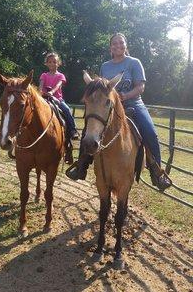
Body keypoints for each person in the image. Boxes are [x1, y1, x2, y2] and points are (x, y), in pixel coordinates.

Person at [66, 33, 172, 191]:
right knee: (88, 131)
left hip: (134, 104)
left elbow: (140, 87)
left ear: (125, 45)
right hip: (110, 106)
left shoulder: (134, 63)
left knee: (150, 132)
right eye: (114, 43)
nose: (118, 45)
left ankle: (156, 171)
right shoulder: (105, 66)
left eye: (121, 43)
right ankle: (81, 165)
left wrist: (125, 95)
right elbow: (101, 90)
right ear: (110, 48)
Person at [39, 52, 79, 140]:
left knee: (66, 109)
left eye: (54, 62)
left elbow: (58, 85)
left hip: (57, 99)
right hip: (44, 98)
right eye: (49, 62)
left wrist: (52, 92)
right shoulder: (44, 75)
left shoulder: (61, 76)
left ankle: (73, 130)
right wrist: (41, 92)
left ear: (58, 63)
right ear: (46, 63)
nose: (52, 64)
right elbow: (41, 86)